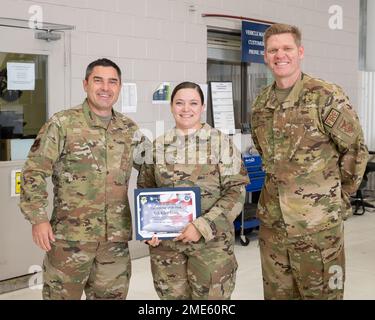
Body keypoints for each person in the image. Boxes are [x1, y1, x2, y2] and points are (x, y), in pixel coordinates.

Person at [250, 23, 368, 300]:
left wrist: (339, 198)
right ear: (265, 56)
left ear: (300, 51)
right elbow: (265, 154)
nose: (280, 55)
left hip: (318, 227)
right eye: (273, 50)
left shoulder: (325, 96)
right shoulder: (261, 104)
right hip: (274, 226)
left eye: (287, 48)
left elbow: (354, 150)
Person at [20, 58, 146, 300]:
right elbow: (34, 171)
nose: (105, 88)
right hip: (69, 241)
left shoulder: (129, 129)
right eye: (98, 80)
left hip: (114, 244)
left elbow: (151, 171)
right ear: (85, 84)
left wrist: (159, 221)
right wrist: (38, 218)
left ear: (119, 87)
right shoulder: (62, 124)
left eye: (113, 82)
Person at [137, 81, 249, 300]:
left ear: (202, 107)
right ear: (171, 107)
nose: (186, 109)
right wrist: (148, 230)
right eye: (179, 103)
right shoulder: (158, 147)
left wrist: (202, 226)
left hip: (211, 247)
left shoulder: (221, 144)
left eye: (193, 103)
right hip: (168, 250)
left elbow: (236, 191)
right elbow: (146, 190)